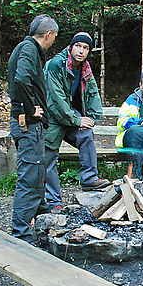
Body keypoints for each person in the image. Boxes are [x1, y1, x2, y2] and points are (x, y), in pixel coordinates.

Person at [43, 32, 110, 211]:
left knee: (86, 134)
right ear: (71, 47)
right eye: (78, 46)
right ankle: (53, 201)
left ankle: (89, 179)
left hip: (70, 115)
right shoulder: (56, 65)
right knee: (49, 155)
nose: (81, 51)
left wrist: (93, 118)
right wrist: (76, 119)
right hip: (51, 115)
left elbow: (93, 93)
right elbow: (55, 100)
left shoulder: (85, 68)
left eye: (85, 48)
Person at [8, 14, 58, 243]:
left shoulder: (26, 48)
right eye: (54, 38)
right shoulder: (29, 49)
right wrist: (30, 110)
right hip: (27, 124)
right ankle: (21, 233)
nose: (53, 41)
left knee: (38, 172)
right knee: (30, 176)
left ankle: (41, 216)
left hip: (32, 126)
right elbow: (21, 79)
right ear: (48, 35)